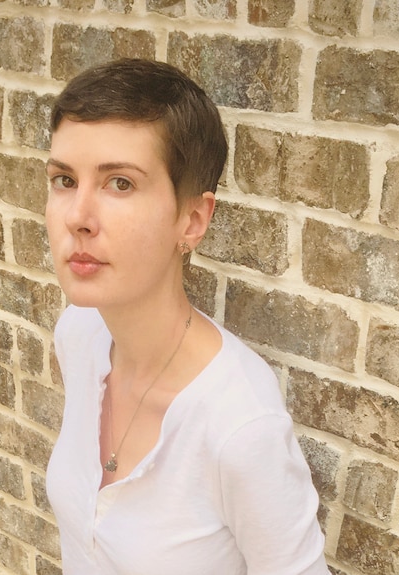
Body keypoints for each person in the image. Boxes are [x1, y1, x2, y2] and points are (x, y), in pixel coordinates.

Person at [44, 58, 329, 575]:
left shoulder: (239, 424)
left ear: (192, 219)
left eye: (120, 184)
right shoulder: (80, 334)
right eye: (64, 179)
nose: (77, 217)